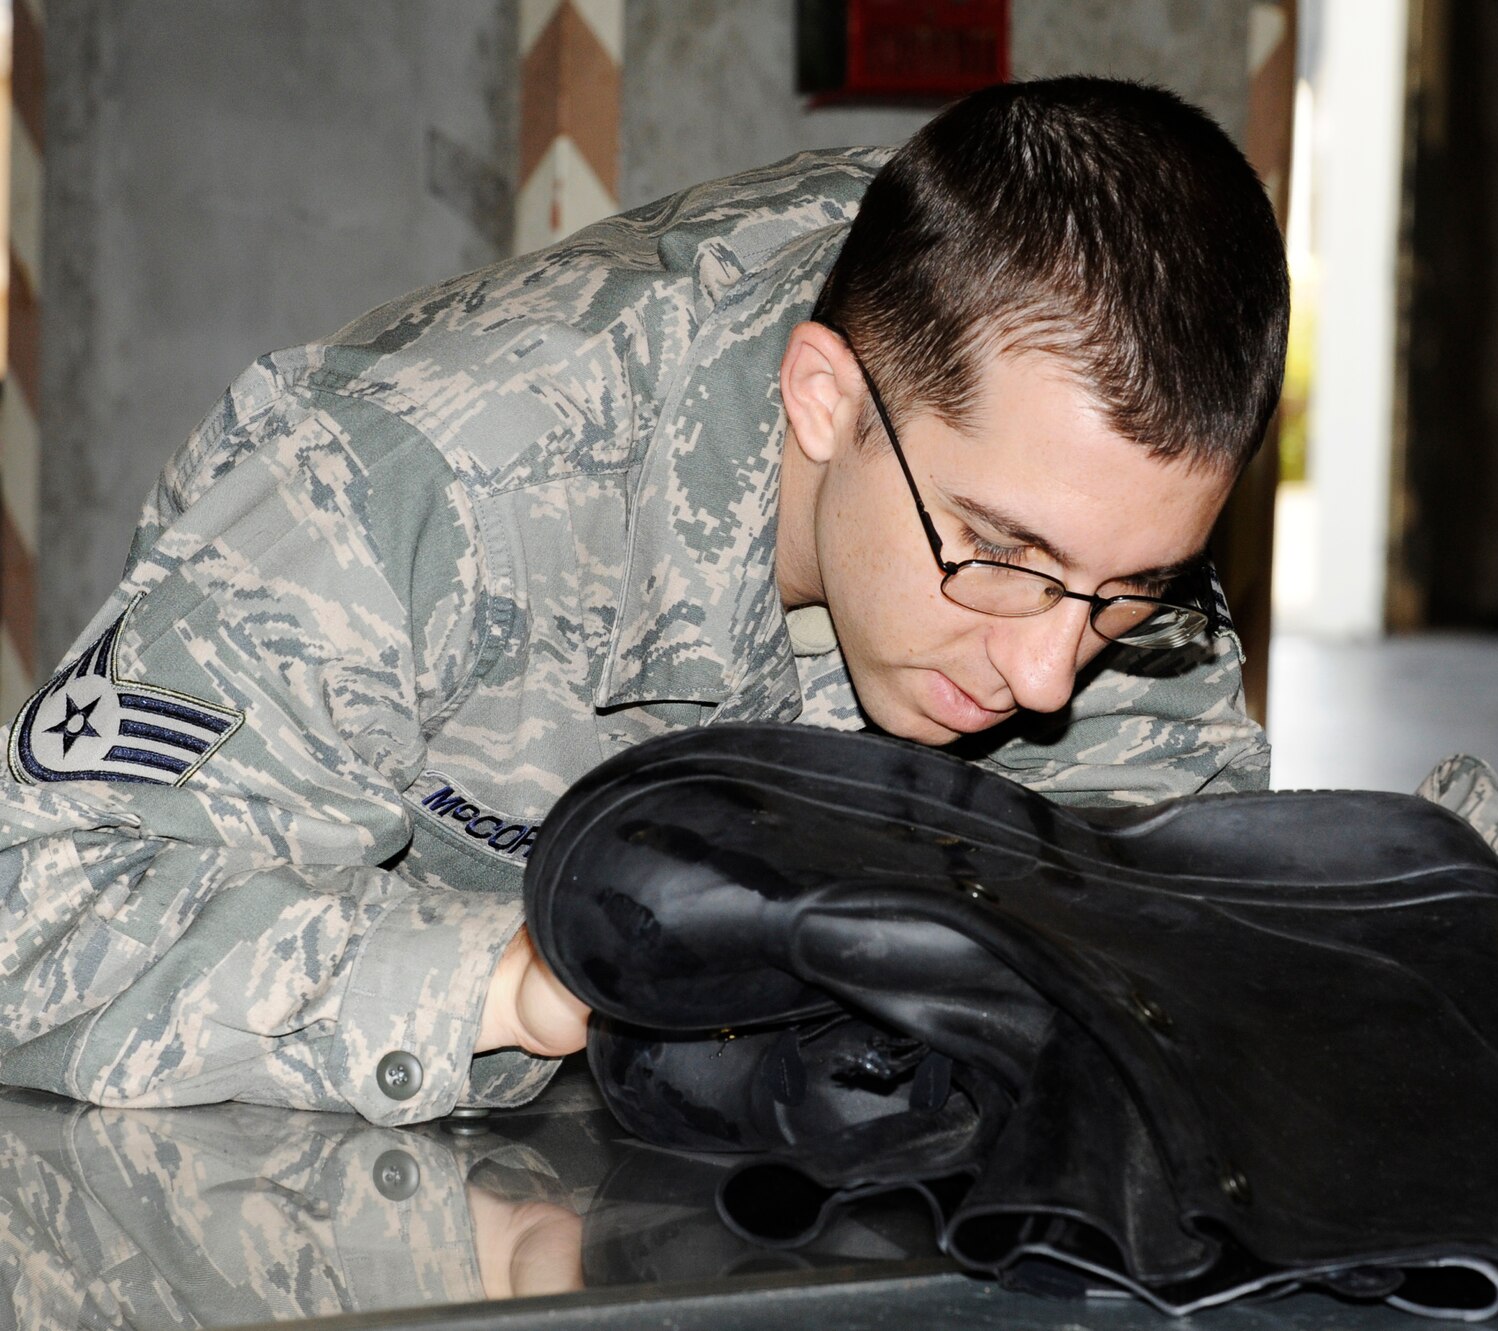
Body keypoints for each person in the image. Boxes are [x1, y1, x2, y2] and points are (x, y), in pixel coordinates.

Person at [0, 78, 1287, 1124]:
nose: (1051, 672)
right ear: (823, 399)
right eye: (996, 556)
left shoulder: (1071, 483)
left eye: (1131, 590)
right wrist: (523, 978)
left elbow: (1168, 884)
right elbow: (33, 908)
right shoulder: (420, 478)